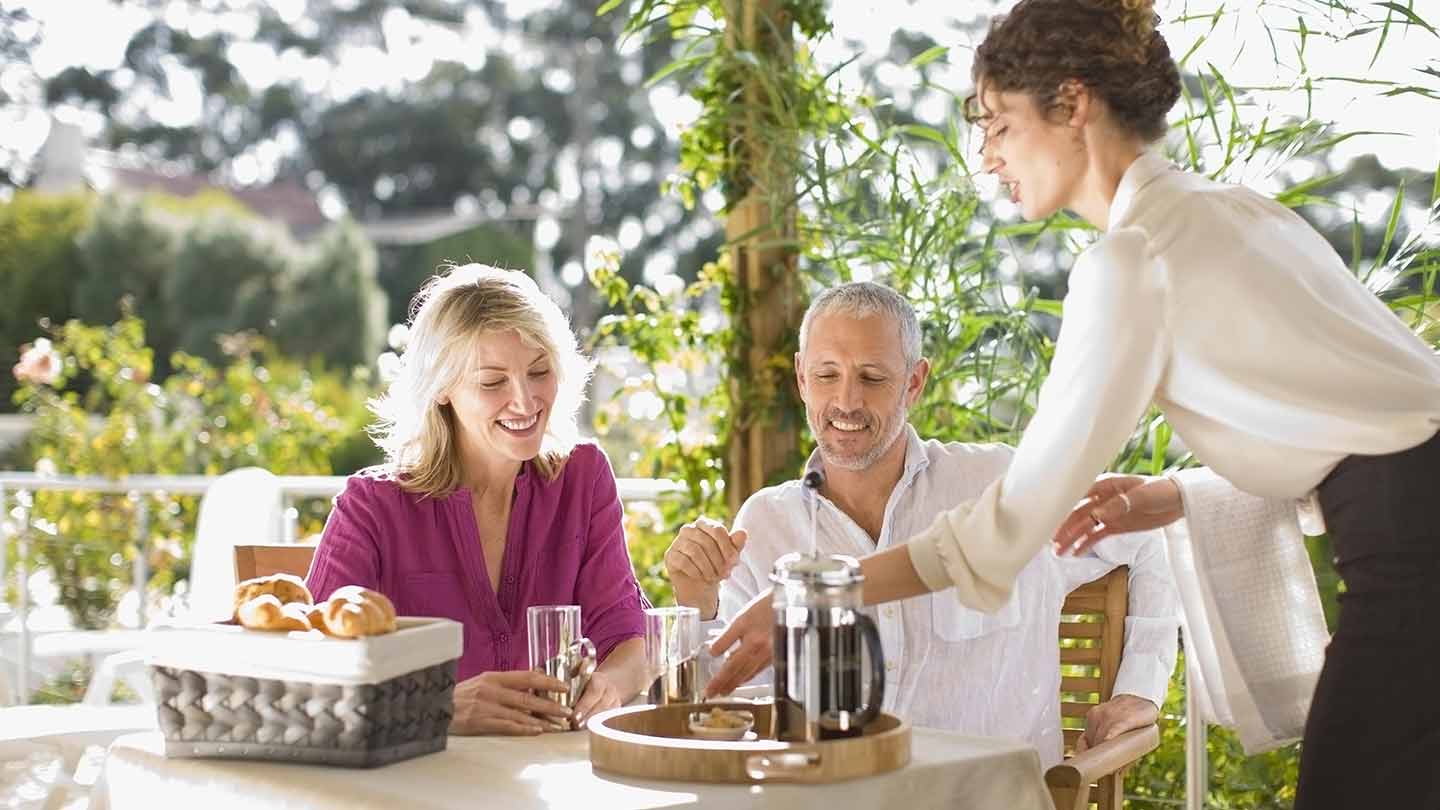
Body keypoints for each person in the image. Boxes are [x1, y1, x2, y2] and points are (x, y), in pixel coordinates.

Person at [704, 1, 1440, 806]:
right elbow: (1366, 421)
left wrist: (812, 593)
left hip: (1412, 563)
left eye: (998, 125)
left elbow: (1011, 520)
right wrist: (1173, 494)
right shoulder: (1228, 211)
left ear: (1072, 103)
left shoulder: (1132, 258)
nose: (987, 157)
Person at [665, 282, 1178, 768]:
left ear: (914, 382)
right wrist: (698, 602)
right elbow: (725, 700)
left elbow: (1146, 531)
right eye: (826, 375)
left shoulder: (1000, 485)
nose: (846, 401)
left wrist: (1140, 689)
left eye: (872, 377)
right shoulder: (765, 524)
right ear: (801, 378)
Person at [307, 264, 651, 735]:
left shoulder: (583, 480)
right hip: (420, 775)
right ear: (441, 388)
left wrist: (607, 687)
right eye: (493, 382)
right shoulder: (370, 509)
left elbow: (627, 638)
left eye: (539, 372)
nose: (525, 401)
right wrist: (440, 708)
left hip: (549, 768)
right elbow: (316, 679)